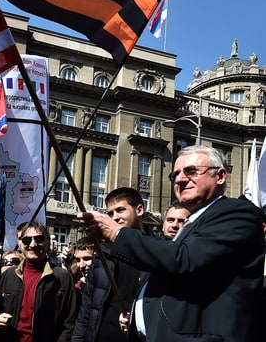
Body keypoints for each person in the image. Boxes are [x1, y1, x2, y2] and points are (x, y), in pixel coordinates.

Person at [79, 146, 265, 341]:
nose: (180, 179)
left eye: (191, 171)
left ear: (219, 176)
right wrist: (138, 317)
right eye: (175, 174)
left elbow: (183, 259)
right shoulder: (194, 222)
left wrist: (116, 233)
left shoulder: (236, 214)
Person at [72, 187, 146, 342]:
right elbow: (87, 307)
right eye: (111, 213)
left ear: (139, 210)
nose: (115, 217)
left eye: (120, 210)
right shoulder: (103, 253)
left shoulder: (154, 251)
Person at [0, 222, 77, 341]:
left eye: (39, 239)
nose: (33, 244)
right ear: (20, 243)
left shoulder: (62, 277)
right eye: (27, 240)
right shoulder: (8, 275)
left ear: (48, 242)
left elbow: (70, 322)